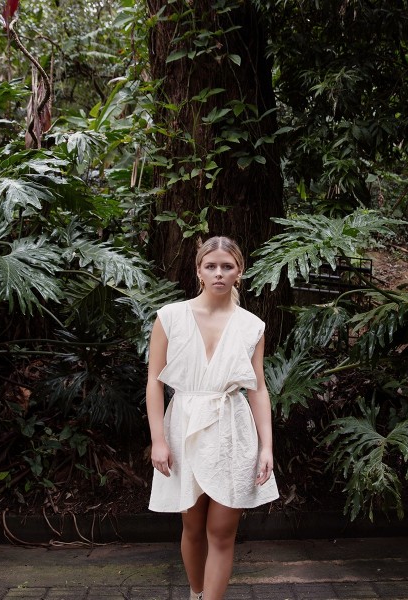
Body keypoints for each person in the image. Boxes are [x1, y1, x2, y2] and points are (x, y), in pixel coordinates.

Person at [146, 236, 279, 600]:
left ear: (239, 272)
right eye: (211, 266)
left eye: (227, 266)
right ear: (199, 271)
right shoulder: (170, 317)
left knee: (221, 532)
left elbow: (258, 389)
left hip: (232, 430)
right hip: (184, 427)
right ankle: (197, 593)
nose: (219, 273)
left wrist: (266, 447)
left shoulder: (251, 326)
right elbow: (154, 382)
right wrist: (158, 440)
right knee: (192, 527)